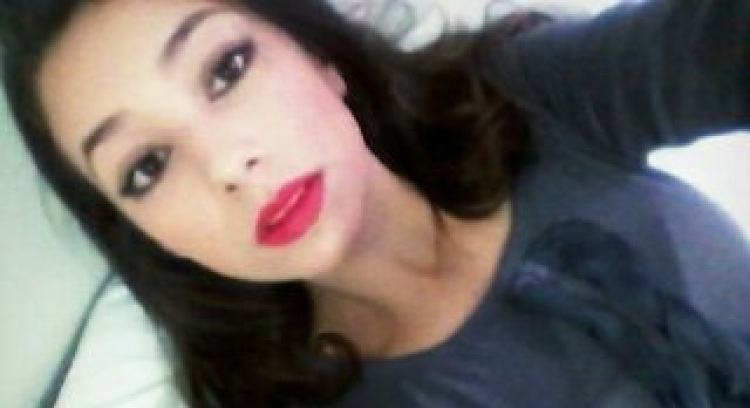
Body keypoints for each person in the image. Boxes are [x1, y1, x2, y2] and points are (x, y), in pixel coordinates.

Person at [1, 0, 749, 406]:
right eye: (147, 167)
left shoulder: (522, 99)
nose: (229, 165)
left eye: (227, 69)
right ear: (146, 233)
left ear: (318, 58)